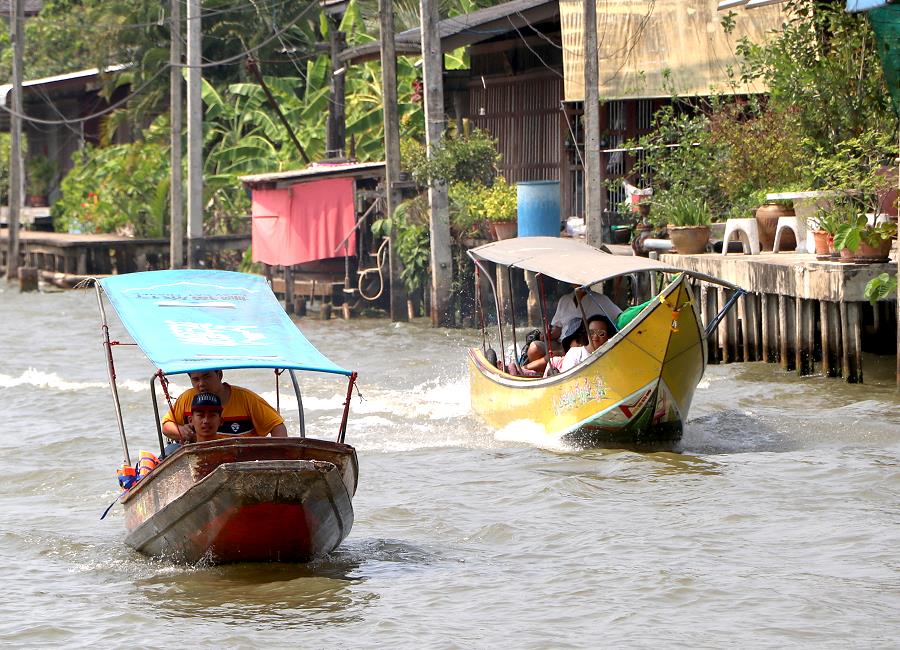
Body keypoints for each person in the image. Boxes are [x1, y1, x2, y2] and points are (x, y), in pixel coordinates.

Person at [162, 369, 287, 445]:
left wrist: (279, 454)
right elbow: (167, 425)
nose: (201, 384)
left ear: (219, 375)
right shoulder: (186, 398)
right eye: (196, 379)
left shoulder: (246, 399)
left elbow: (277, 426)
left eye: (206, 377)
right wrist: (181, 431)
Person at [550, 287, 621, 343]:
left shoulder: (601, 300)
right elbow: (557, 327)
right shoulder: (564, 300)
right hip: (563, 342)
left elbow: (620, 317)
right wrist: (549, 335)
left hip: (587, 346)